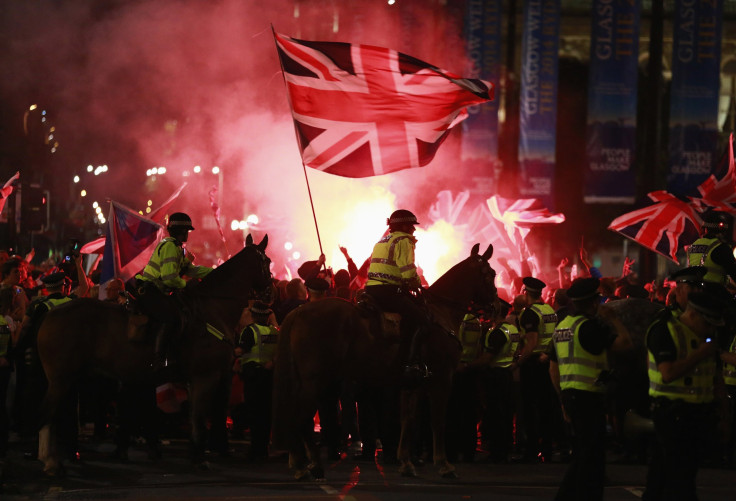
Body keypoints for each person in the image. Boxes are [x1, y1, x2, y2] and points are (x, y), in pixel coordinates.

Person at [549, 278, 632, 501]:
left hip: (571, 395)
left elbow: (553, 367)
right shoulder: (590, 327)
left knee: (584, 453)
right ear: (594, 302)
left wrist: (562, 399)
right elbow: (626, 344)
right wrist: (614, 319)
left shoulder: (563, 325)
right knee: (592, 457)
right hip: (588, 396)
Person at [643, 291, 728, 501]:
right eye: (707, 324)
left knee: (663, 476)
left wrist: (725, 415)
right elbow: (668, 373)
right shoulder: (664, 331)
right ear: (692, 315)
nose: (710, 330)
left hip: (699, 414)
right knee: (680, 480)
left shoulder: (706, 338)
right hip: (671, 414)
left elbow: (716, 377)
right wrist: (700, 354)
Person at [135, 212, 212, 369]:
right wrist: (186, 285)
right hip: (151, 291)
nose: (188, 235)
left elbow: (192, 270)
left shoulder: (177, 248)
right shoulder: (170, 247)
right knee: (171, 317)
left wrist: (217, 272)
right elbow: (169, 277)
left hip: (156, 291)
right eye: (187, 231)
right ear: (181, 231)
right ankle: (159, 358)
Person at [363, 209, 430, 386]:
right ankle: (409, 364)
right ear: (404, 226)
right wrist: (418, 284)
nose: (414, 230)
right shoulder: (404, 241)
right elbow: (408, 272)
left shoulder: (381, 241)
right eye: (411, 226)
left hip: (371, 290)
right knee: (421, 319)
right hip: (389, 292)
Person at [517, 276, 559, 462]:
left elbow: (532, 342)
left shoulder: (529, 313)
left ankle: (531, 451)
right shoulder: (549, 309)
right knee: (546, 407)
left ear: (526, 293)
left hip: (533, 364)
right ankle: (547, 449)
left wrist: (518, 362)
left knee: (530, 408)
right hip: (547, 362)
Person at [477, 298, 521, 463]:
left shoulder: (498, 332)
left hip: (496, 376)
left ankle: (497, 452)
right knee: (506, 413)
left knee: (496, 414)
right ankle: (505, 448)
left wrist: (468, 366)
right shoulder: (512, 329)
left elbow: (488, 357)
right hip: (507, 374)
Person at [235, 301, 279, 461]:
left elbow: (242, 350)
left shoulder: (249, 331)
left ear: (253, 316)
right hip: (269, 376)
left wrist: (232, 352)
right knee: (266, 414)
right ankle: (264, 447)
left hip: (253, 376)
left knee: (254, 413)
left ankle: (256, 449)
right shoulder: (275, 331)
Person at [687, 210, 736, 285]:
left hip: (693, 290)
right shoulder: (721, 248)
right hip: (713, 292)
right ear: (724, 231)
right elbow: (734, 272)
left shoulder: (693, 245)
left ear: (705, 229)